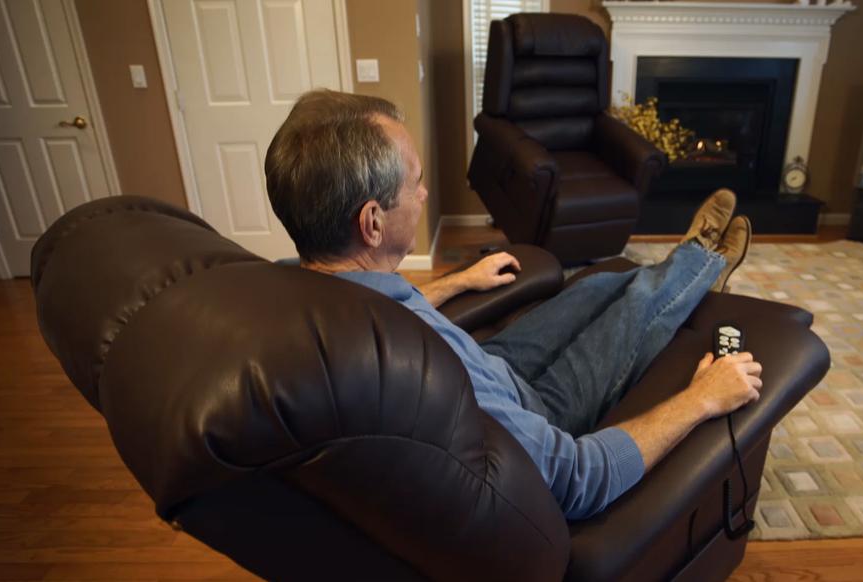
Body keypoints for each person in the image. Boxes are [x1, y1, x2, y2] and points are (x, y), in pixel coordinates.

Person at [265, 89, 764, 520]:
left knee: (596, 283)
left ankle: (682, 273)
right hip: (534, 411)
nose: (422, 193)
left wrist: (459, 280)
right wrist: (704, 399)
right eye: (413, 183)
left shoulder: (296, 282)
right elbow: (577, 478)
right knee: (633, 305)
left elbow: (394, 297)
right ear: (372, 223)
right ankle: (701, 261)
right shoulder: (423, 363)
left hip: (495, 367)